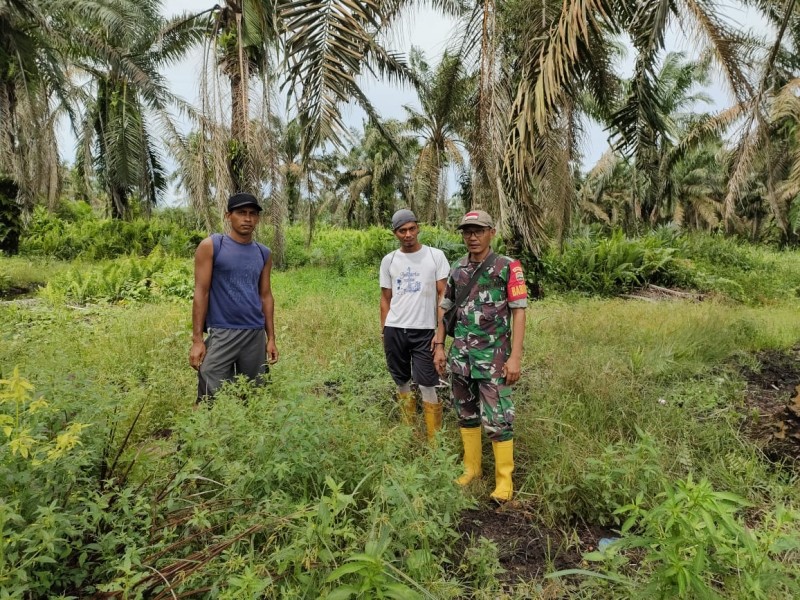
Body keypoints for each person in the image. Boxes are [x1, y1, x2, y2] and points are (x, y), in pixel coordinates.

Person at [433, 210, 527, 502]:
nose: (472, 237)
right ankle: (472, 469)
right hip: (461, 356)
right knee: (466, 413)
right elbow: (445, 308)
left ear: (491, 233)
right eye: (467, 232)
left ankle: (504, 481)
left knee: (498, 418)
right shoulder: (458, 268)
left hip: (494, 358)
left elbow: (519, 312)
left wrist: (515, 357)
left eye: (478, 231)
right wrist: (439, 345)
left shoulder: (508, 267)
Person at [189, 192, 279, 402]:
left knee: (256, 395)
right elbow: (201, 292)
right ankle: (210, 421)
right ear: (228, 216)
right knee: (209, 388)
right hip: (223, 331)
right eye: (241, 213)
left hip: (254, 333)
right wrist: (197, 340)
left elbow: (266, 296)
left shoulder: (263, 253)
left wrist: (271, 339)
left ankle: (251, 422)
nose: (247, 218)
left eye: (252, 214)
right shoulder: (213, 246)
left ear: (257, 218)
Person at [380, 209, 450, 440]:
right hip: (395, 329)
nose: (408, 234)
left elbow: (443, 296)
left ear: (418, 228)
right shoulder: (389, 260)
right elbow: (385, 299)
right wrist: (384, 330)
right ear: (395, 233)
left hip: (424, 331)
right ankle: (407, 432)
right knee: (401, 381)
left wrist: (439, 333)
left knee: (427, 383)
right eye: (402, 230)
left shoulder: (435, 256)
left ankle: (434, 442)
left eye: (412, 229)